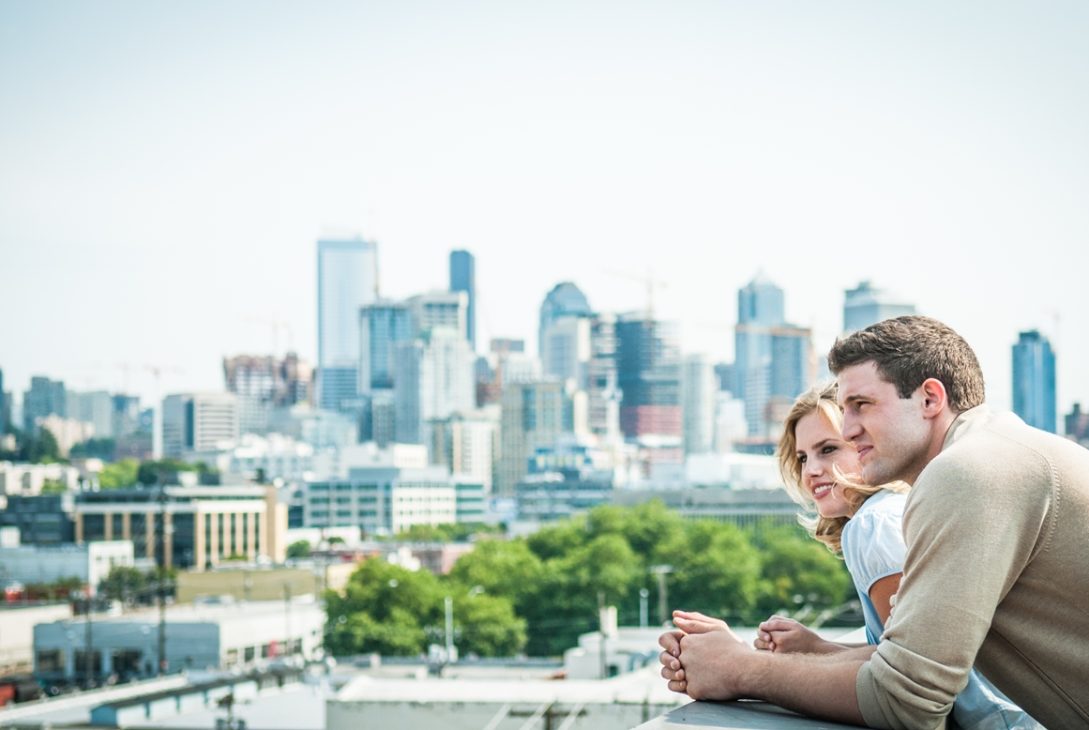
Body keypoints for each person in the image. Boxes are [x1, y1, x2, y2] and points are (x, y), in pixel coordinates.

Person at [659, 316, 1089, 729]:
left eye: (861, 405)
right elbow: (907, 659)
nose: (848, 430)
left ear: (929, 399)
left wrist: (738, 669)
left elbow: (907, 700)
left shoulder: (966, 472)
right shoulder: (1001, 450)